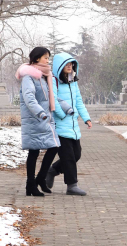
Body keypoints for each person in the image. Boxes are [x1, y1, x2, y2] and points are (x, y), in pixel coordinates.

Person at [16, 46, 60, 197]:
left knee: (54, 147)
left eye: (48, 57)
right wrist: (40, 113)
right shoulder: (29, 77)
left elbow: (50, 97)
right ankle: (30, 185)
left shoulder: (43, 76)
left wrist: (66, 108)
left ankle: (40, 179)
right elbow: (29, 98)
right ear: (36, 59)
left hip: (45, 119)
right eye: (45, 57)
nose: (48, 60)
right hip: (35, 119)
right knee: (34, 151)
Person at [46, 52, 92, 196]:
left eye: (71, 64)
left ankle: (52, 170)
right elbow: (52, 99)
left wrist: (86, 118)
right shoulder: (53, 80)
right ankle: (72, 185)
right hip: (60, 126)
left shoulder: (73, 81)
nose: (69, 66)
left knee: (76, 154)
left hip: (73, 126)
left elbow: (78, 101)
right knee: (69, 157)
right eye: (66, 64)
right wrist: (62, 114)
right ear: (59, 66)